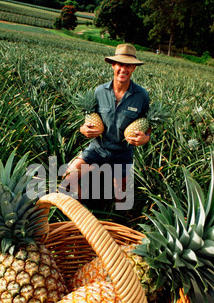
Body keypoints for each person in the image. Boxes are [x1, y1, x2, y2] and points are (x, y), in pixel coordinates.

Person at [60, 44, 151, 206]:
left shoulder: (141, 95)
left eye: (128, 65)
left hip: (122, 155)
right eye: (120, 64)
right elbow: (88, 119)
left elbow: (147, 122)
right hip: (97, 150)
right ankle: (84, 214)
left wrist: (146, 138)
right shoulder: (99, 91)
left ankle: (118, 221)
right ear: (113, 65)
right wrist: (83, 129)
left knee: (122, 199)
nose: (123, 69)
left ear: (133, 69)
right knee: (68, 178)